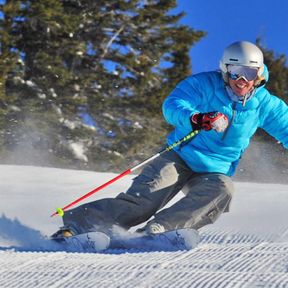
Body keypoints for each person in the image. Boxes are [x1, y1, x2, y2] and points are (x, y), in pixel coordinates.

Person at [52, 41, 288, 239]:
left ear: (259, 75)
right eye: (236, 73)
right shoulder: (204, 84)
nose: (242, 80)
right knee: (144, 202)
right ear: (225, 71)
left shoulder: (265, 104)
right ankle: (78, 227)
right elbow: (173, 105)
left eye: (249, 73)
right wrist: (196, 118)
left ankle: (160, 230)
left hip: (215, 169)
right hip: (180, 156)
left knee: (222, 190)